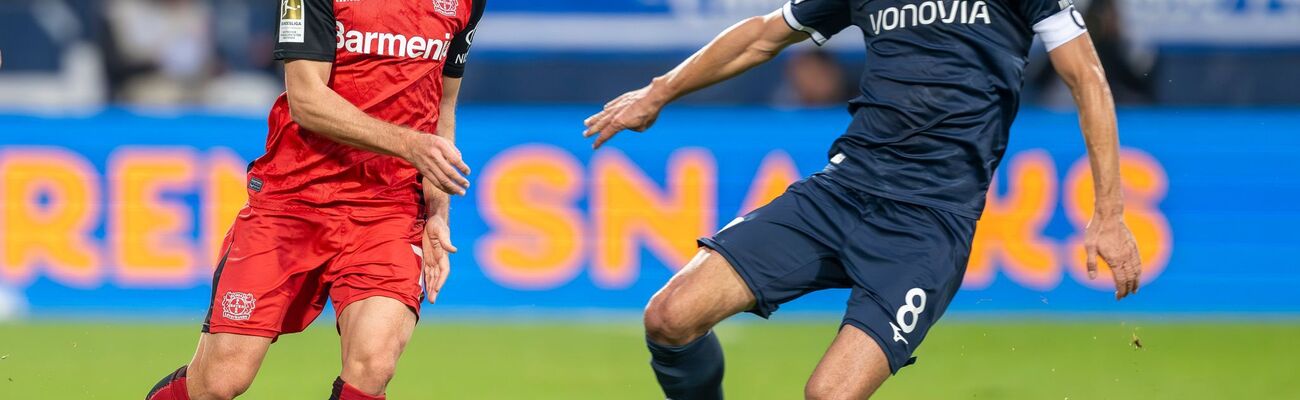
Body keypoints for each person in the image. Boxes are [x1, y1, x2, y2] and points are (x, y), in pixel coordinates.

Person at [582, 0, 1143, 397]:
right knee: (670, 317)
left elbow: (1087, 78)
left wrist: (1109, 214)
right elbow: (761, 36)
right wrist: (658, 92)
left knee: (829, 396)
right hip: (842, 192)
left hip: (929, 226)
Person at [145, 0, 486, 399]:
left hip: (387, 207)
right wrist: (409, 144)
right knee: (221, 381)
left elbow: (441, 107)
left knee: (373, 364)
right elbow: (306, 100)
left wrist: (437, 212)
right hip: (292, 202)